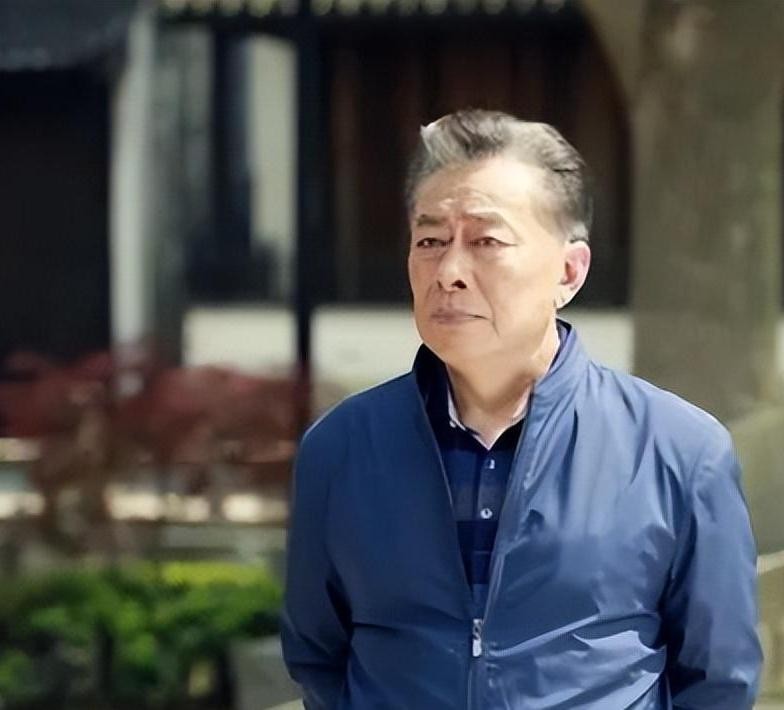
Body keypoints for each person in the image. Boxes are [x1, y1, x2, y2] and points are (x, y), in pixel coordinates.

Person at [280, 109, 762, 709]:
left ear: (569, 271)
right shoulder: (342, 448)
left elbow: (720, 679)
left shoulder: (678, 452)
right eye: (430, 241)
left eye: (486, 242)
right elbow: (317, 655)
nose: (449, 272)